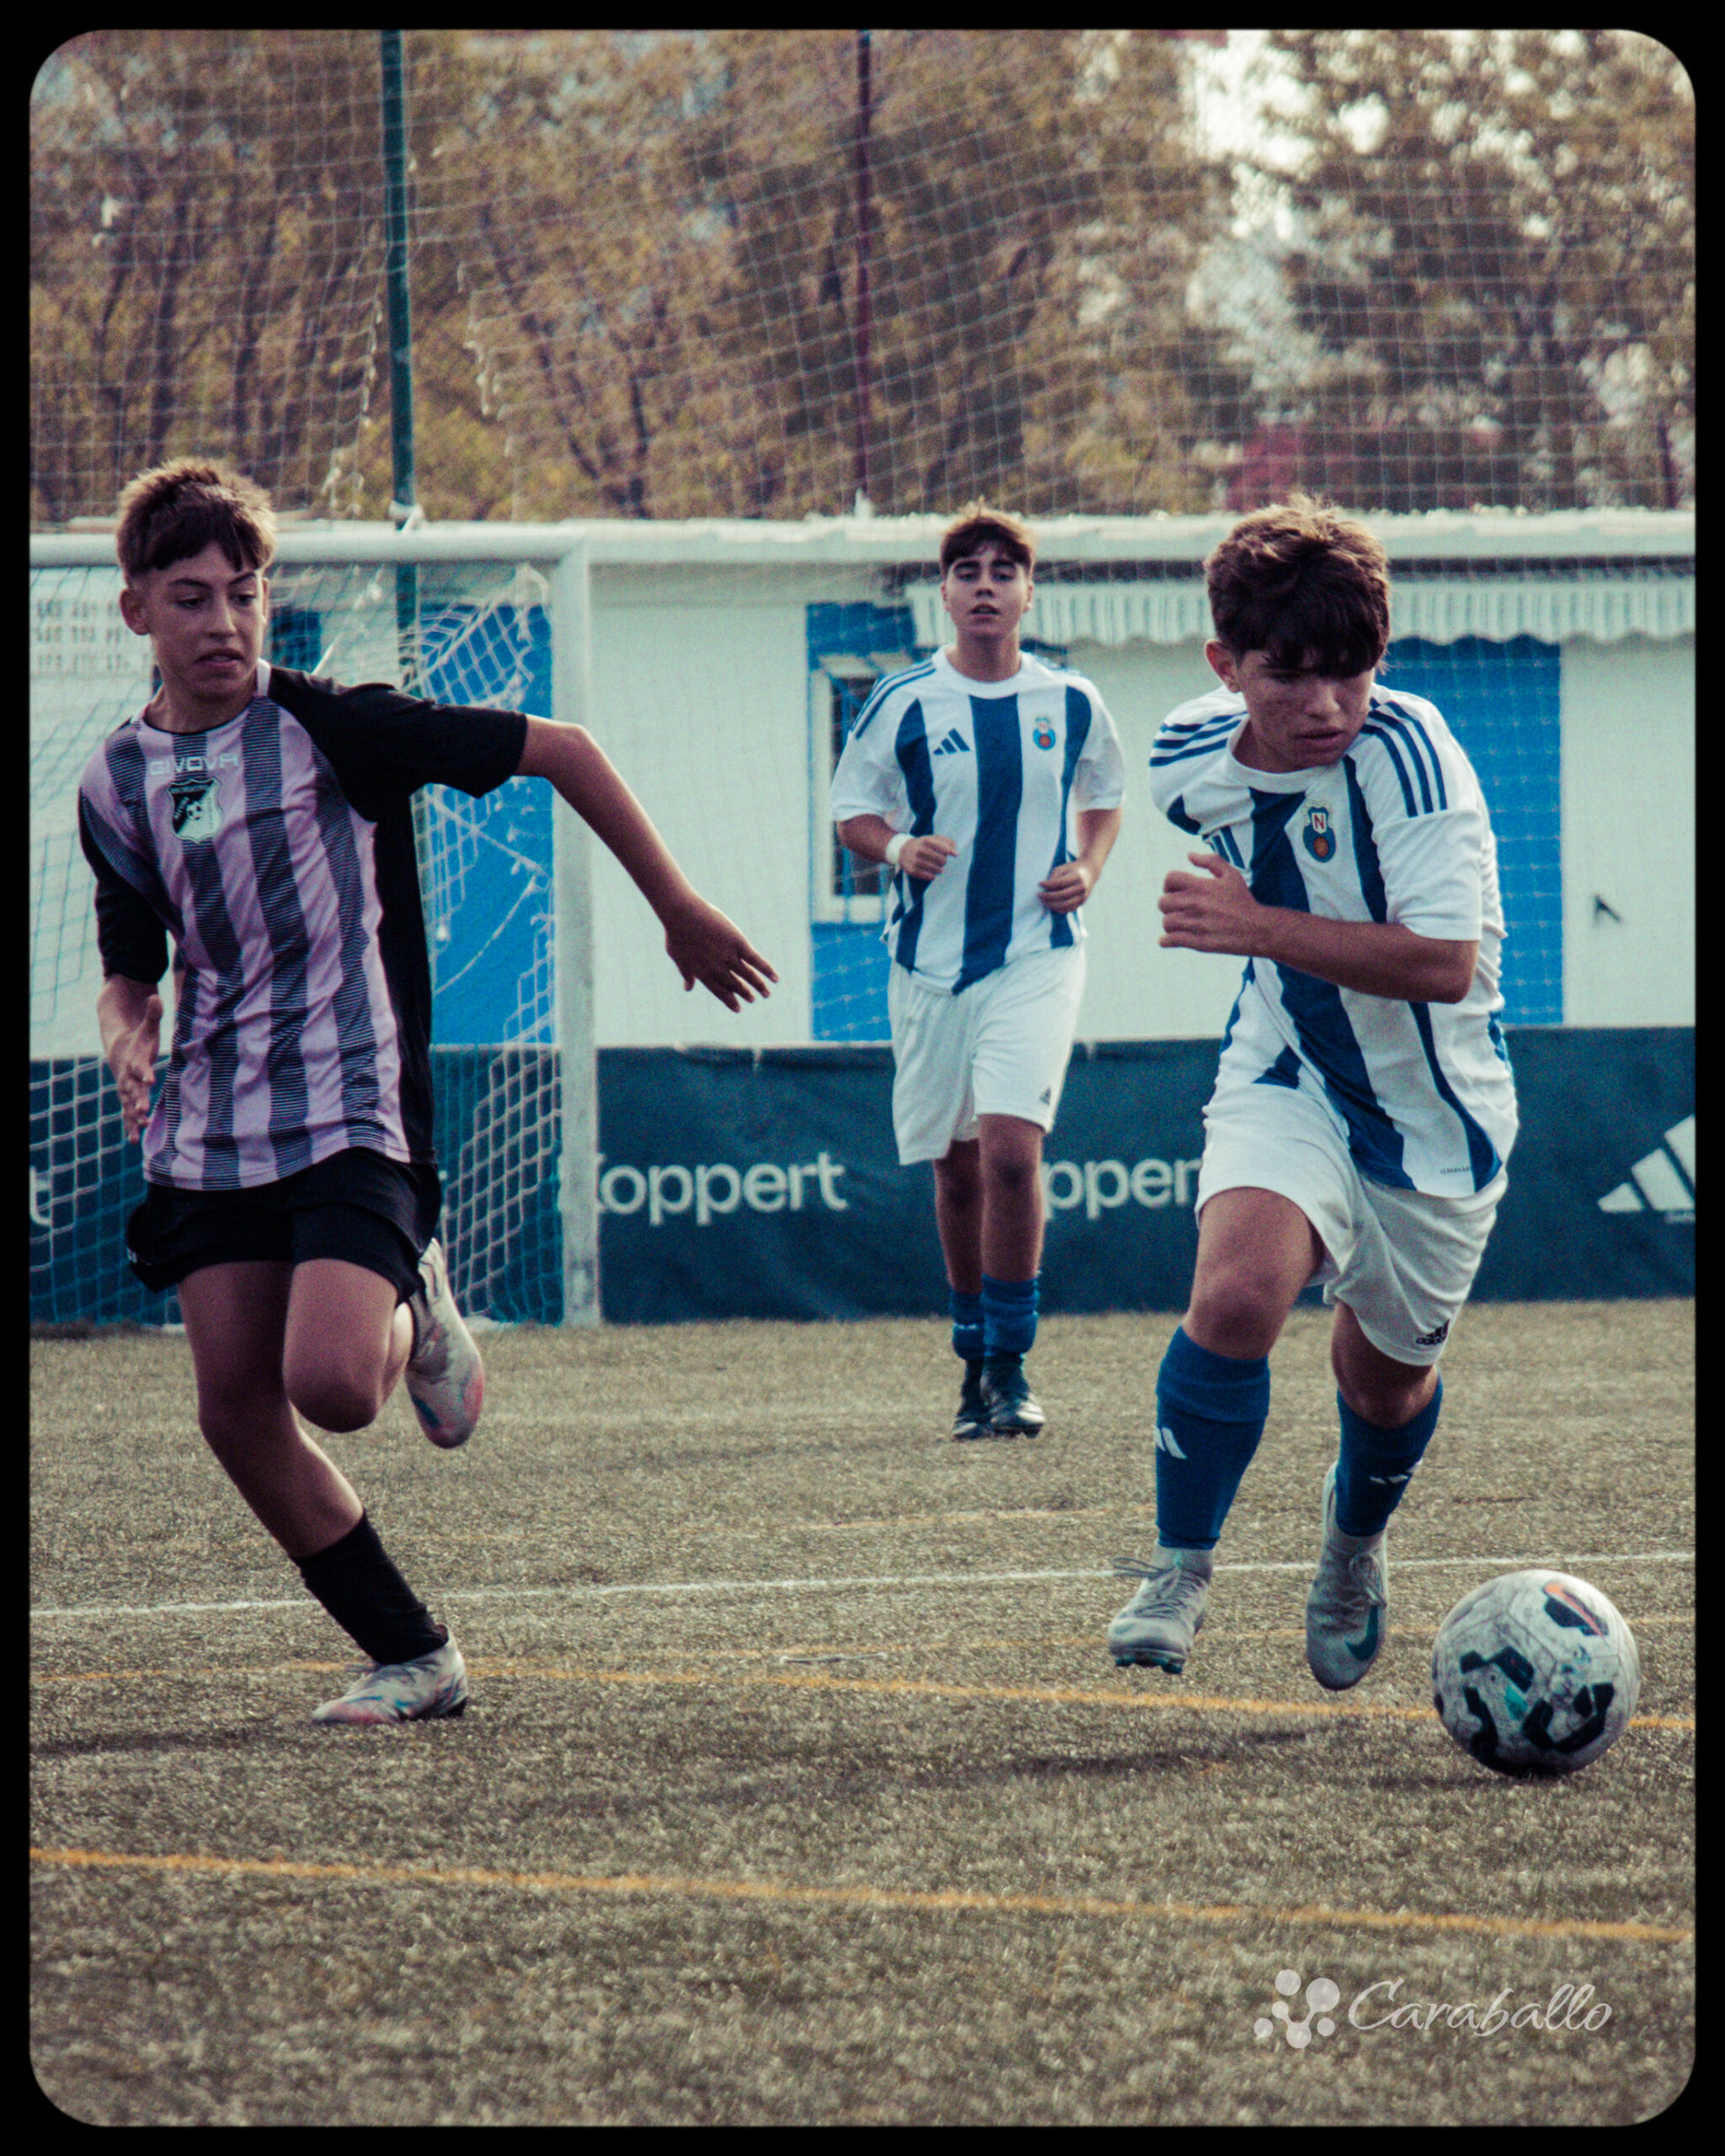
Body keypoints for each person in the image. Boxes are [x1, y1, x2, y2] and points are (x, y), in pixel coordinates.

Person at [81, 459, 776, 1726]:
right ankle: (415, 1655)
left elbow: (563, 749)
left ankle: (416, 1295)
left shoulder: (338, 726)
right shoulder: (115, 784)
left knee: (335, 1388)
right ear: (137, 611)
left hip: (356, 1101)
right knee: (235, 1412)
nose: (225, 621)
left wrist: (677, 907)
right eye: (190, 598)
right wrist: (128, 1036)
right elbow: (129, 965)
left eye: (245, 593)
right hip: (213, 1120)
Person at [1107, 494, 1516, 1686]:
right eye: (1288, 674)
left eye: (1352, 670)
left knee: (1382, 1384)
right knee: (1237, 1293)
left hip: (1435, 1113)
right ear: (1225, 666)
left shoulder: (1414, 758)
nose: (1327, 703)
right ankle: (1179, 1569)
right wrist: (1261, 939)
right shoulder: (1183, 758)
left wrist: (1252, 926)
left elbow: (1444, 965)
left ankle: (1351, 1546)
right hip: (1286, 1065)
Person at [831, 504, 1124, 1442]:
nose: (986, 585)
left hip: (1037, 955)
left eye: (1005, 570)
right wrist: (898, 846)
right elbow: (851, 813)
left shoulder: (1070, 700)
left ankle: (1011, 1364)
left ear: (1029, 592)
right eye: (968, 571)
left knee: (1010, 1153)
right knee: (955, 1171)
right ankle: (972, 1363)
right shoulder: (903, 700)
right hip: (928, 966)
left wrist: (1089, 868)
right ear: (945, 593)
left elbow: (1106, 796)